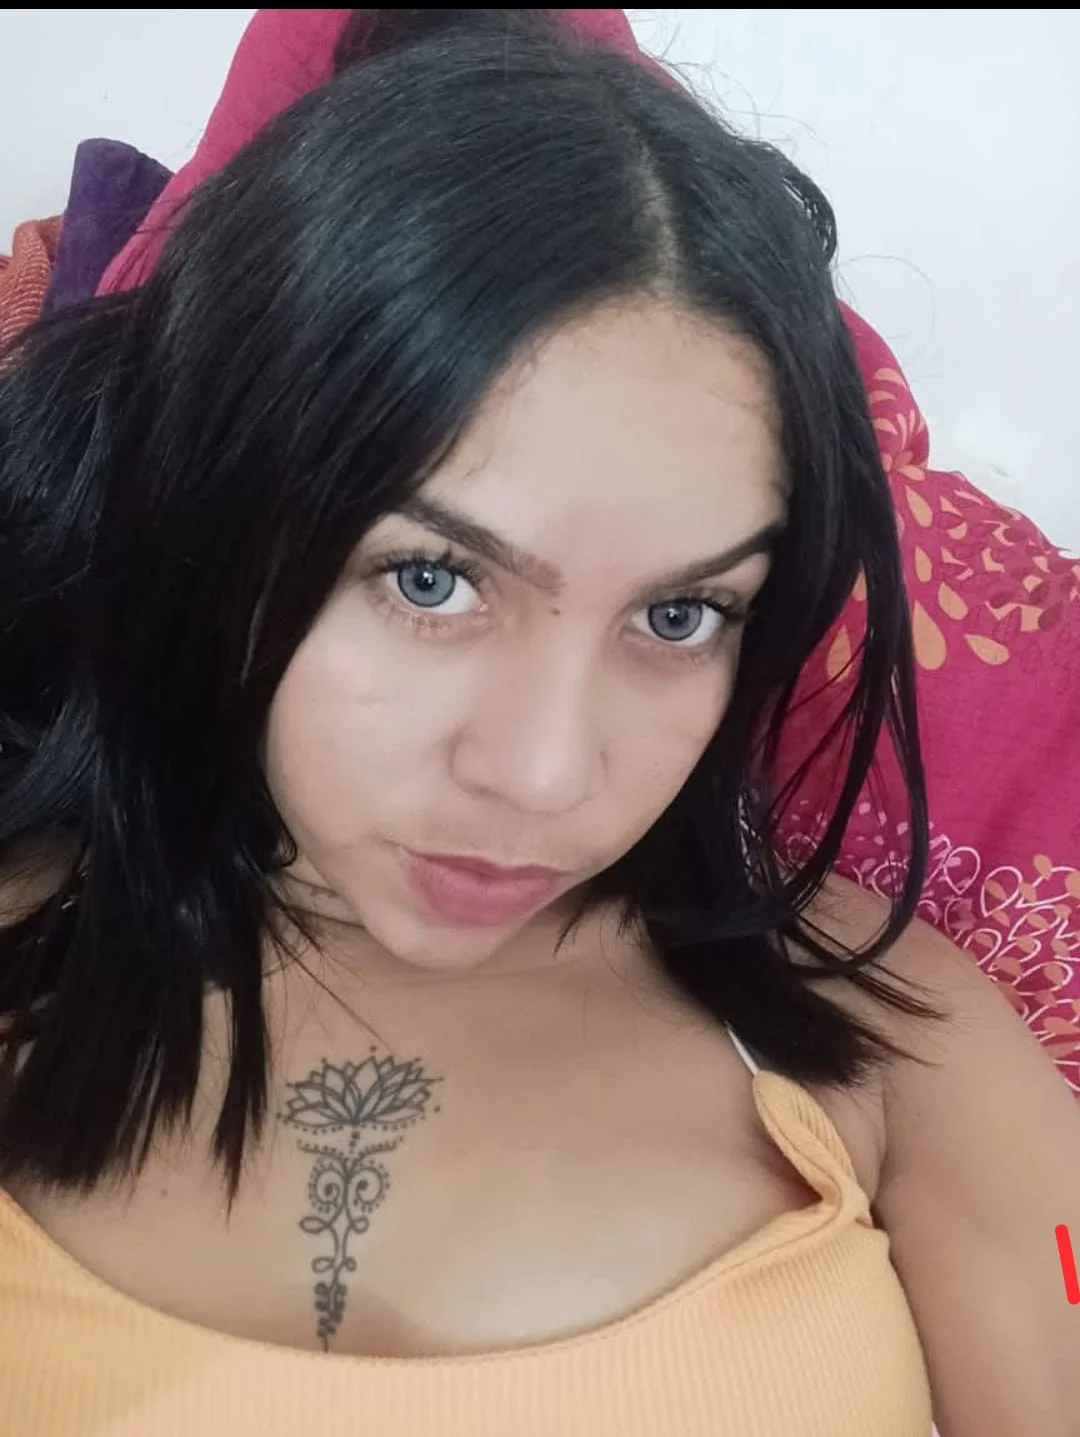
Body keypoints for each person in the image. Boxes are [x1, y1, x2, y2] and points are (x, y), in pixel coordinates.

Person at [0, 10, 1075, 1436]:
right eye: (431, 581)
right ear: (220, 518)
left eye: (679, 615)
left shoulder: (895, 1036)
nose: (546, 774)